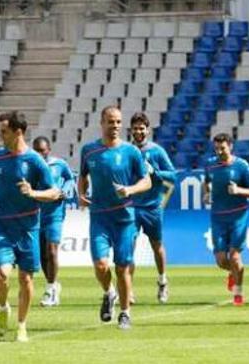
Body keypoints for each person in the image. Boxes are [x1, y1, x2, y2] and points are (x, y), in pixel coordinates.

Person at [0, 112, 62, 342]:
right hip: (2, 226)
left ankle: (21, 326)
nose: (0, 135)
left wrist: (34, 192)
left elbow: (54, 192)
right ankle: (3, 306)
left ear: (18, 132)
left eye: (3, 131)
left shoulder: (35, 161)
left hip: (28, 228)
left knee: (26, 279)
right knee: (0, 273)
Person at [77, 105, 151, 330]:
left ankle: (125, 313)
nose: (116, 126)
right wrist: (81, 194)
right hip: (99, 216)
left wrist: (130, 190)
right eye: (111, 121)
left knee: (122, 267)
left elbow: (146, 181)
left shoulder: (131, 152)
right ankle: (109, 293)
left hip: (125, 218)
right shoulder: (89, 150)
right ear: (102, 123)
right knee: (100, 265)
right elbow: (83, 176)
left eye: (119, 122)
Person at [202, 133, 249, 306]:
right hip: (218, 217)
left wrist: (239, 191)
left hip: (238, 216)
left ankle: (238, 293)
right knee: (221, 260)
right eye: (216, 148)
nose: (219, 151)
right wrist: (206, 193)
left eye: (222, 148)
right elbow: (207, 182)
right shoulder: (211, 165)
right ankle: (233, 274)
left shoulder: (241, 166)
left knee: (234, 257)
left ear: (230, 146)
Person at [128, 113, 177, 303]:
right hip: (131, 206)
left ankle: (163, 280)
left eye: (142, 128)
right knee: (127, 247)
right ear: (131, 130)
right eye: (135, 128)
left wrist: (155, 172)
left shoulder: (157, 151)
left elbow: (172, 176)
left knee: (156, 246)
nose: (139, 132)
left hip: (152, 207)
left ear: (147, 130)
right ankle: (128, 290)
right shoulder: (126, 151)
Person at [33, 136, 76, 307]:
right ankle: (53, 284)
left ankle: (50, 290)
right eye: (36, 151)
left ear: (48, 150)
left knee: (51, 251)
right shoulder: (30, 166)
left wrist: (65, 191)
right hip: (36, 215)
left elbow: (70, 178)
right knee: (43, 255)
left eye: (42, 150)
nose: (40, 154)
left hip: (55, 214)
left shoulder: (59, 164)